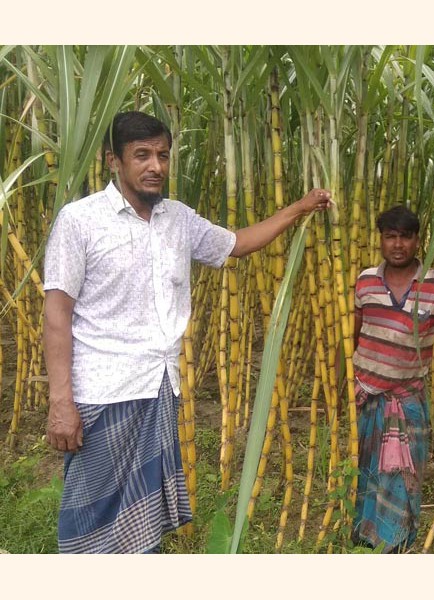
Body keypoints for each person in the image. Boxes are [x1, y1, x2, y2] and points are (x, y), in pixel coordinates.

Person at [43, 111, 331, 553]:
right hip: (103, 394)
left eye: (162, 154)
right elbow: (57, 312)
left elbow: (237, 244)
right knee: (91, 517)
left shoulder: (178, 219)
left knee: (144, 522)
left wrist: (299, 208)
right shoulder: (80, 220)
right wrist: (61, 402)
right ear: (112, 161)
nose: (155, 165)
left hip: (159, 387)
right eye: (141, 155)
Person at [349, 206, 434, 552]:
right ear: (381, 239)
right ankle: (363, 540)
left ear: (418, 240)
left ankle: (395, 545)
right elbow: (351, 338)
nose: (398, 245)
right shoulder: (366, 280)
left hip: (408, 401)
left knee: (403, 479)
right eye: (390, 236)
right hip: (366, 396)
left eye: (405, 237)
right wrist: (342, 385)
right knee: (364, 474)